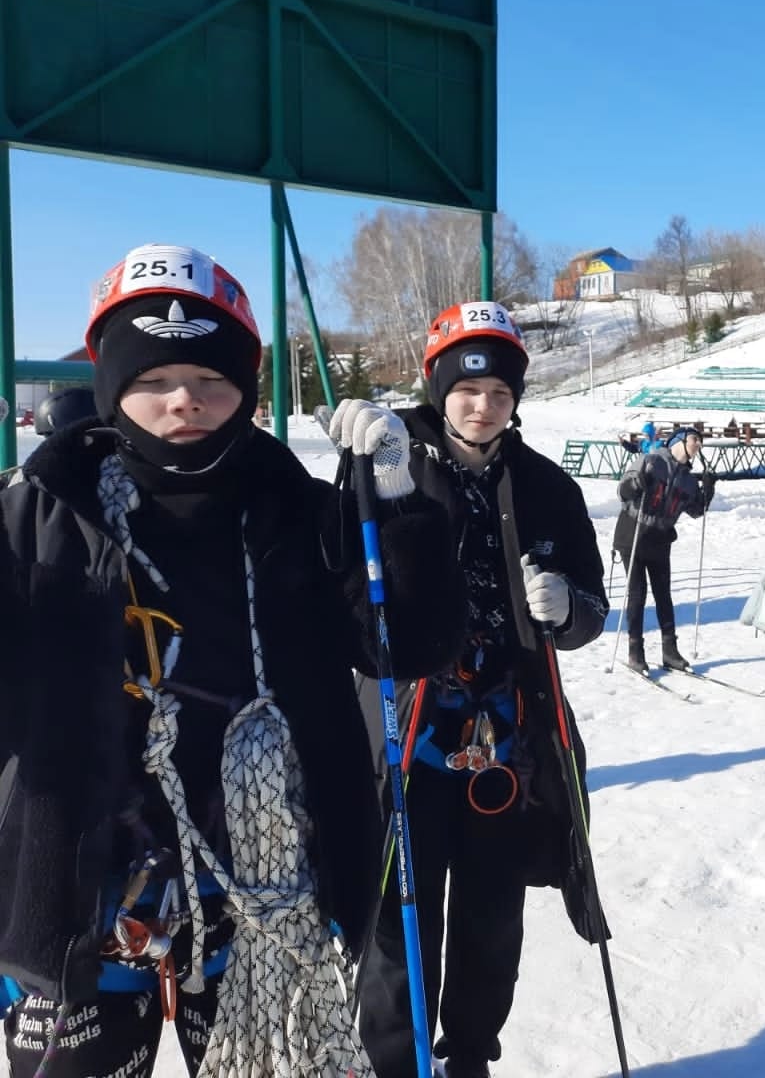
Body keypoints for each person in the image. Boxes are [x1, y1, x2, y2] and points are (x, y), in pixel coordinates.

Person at [0, 244, 463, 1078]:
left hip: (263, 887)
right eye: (153, 379)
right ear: (111, 388)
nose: (185, 399)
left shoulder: (303, 512)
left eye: (211, 378)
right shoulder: (39, 518)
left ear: (246, 389)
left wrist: (396, 501)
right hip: (76, 891)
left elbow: (409, 644)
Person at [359, 303, 609, 1078]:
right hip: (410, 737)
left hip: (505, 742)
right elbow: (342, 586)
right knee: (400, 924)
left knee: (493, 918)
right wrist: (363, 478)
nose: (482, 406)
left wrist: (567, 609)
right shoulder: (389, 465)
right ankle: (396, 1063)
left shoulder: (547, 487)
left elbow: (592, 607)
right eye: (467, 390)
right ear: (439, 389)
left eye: (500, 393)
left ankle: (470, 1054)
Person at [614, 426, 715, 674]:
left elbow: (696, 510)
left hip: (660, 539)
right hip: (633, 534)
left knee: (663, 595)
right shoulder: (651, 461)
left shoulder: (688, 479)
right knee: (638, 594)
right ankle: (635, 650)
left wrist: (707, 493)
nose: (698, 445)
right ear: (679, 440)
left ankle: (670, 650)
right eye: (694, 439)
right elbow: (623, 491)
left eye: (700, 441)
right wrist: (636, 484)